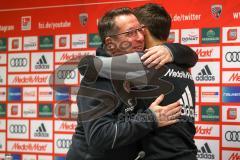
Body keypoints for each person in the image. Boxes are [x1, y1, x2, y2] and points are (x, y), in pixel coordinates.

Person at [67, 6, 197, 160]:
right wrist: (149, 119)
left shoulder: (141, 67)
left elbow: (191, 56)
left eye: (140, 31)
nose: (140, 38)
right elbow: (99, 137)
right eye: (130, 33)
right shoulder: (98, 78)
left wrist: (171, 50)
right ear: (110, 43)